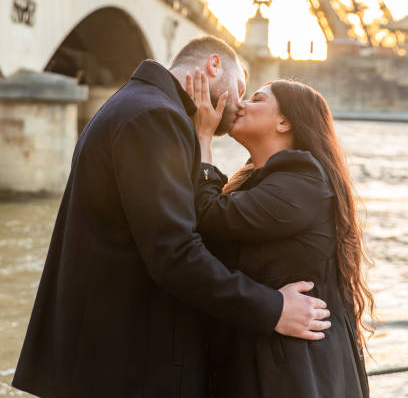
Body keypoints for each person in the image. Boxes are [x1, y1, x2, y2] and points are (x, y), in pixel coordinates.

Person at [13, 36, 330, 398]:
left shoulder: (137, 106)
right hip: (129, 368)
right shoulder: (156, 117)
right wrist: (273, 308)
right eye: (240, 88)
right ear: (213, 66)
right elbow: (175, 254)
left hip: (107, 360)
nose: (239, 103)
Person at [187, 70, 373, 398]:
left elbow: (209, 216)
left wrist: (203, 138)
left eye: (257, 99)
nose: (241, 104)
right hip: (278, 362)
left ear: (284, 122)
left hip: (294, 372)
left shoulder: (302, 181)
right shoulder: (261, 184)